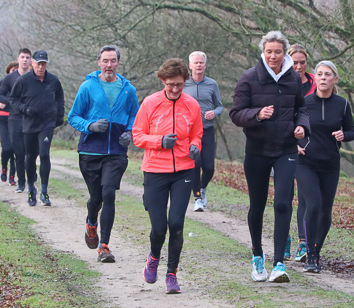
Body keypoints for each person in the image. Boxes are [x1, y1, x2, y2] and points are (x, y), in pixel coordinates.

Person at [230, 31, 310, 283]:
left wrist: (302, 127)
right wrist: (257, 115)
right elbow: (236, 114)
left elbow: (302, 109)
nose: (273, 56)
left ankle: (278, 264)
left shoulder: (293, 80)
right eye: (269, 51)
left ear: (284, 53)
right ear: (263, 53)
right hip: (257, 151)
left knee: (283, 203)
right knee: (257, 204)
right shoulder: (249, 78)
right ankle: (257, 257)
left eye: (278, 51)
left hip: (285, 149)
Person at [133, 58, 202, 294]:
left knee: (176, 223)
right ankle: (153, 257)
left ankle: (172, 274)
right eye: (171, 84)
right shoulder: (150, 103)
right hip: (155, 170)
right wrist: (160, 142)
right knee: (159, 227)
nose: (174, 89)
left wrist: (195, 147)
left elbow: (197, 134)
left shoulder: (192, 105)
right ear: (163, 81)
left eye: (179, 85)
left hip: (183, 170)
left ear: (185, 82)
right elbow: (137, 136)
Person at [68, 45, 139, 263]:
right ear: (99, 62)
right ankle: (91, 223)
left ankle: (104, 246)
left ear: (118, 63)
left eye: (113, 61)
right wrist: (90, 126)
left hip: (116, 150)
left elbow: (136, 117)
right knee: (96, 198)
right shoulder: (88, 86)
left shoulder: (128, 90)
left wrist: (130, 131)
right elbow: (73, 116)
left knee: (108, 193)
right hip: (90, 150)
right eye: (105, 61)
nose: (109, 65)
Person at [297, 61, 354, 273]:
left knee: (325, 212)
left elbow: (351, 131)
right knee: (313, 204)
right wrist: (295, 144)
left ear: (334, 79)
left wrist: (344, 135)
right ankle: (310, 256)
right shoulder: (303, 102)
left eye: (327, 75)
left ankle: (316, 251)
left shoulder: (342, 104)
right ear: (316, 78)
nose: (323, 78)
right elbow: (290, 128)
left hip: (330, 163)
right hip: (305, 162)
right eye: (320, 74)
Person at [9, 50, 65, 207]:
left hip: (47, 124)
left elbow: (60, 98)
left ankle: (45, 192)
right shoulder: (23, 80)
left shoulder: (53, 80)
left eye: (43, 64)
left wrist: (59, 116)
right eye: (38, 63)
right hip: (29, 124)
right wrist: (25, 109)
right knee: (30, 157)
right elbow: (13, 100)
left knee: (45, 154)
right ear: (33, 63)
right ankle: (31, 189)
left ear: (47, 64)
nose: (41, 67)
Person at [286, 44, 317, 262]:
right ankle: (284, 239)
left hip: (309, 146)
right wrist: (290, 141)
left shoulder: (316, 83)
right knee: (285, 197)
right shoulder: (281, 83)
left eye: (302, 62)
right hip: (286, 144)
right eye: (294, 62)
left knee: (305, 198)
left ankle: (302, 243)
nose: (298, 66)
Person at [183, 51, 224, 212]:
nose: (199, 65)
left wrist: (214, 112)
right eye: (196, 63)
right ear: (190, 66)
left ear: (205, 65)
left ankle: (202, 187)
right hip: (190, 132)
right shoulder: (184, 84)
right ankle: (198, 197)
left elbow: (220, 105)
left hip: (207, 129)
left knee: (208, 167)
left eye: (201, 62)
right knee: (195, 164)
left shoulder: (212, 84)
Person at [0, 48, 33, 192]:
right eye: (22, 57)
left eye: (27, 57)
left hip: (30, 118)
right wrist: (12, 102)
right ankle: (21, 182)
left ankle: (31, 176)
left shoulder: (34, 77)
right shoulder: (9, 78)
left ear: (31, 61)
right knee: (18, 151)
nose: (25, 60)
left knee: (29, 151)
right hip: (14, 117)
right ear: (18, 59)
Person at [0, 61, 19, 185]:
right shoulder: (2, 83)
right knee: (7, 147)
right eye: (12, 70)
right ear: (8, 72)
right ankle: (4, 168)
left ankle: (12, 175)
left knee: (15, 148)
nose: (15, 73)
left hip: (16, 118)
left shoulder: (21, 84)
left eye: (16, 70)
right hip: (2, 118)